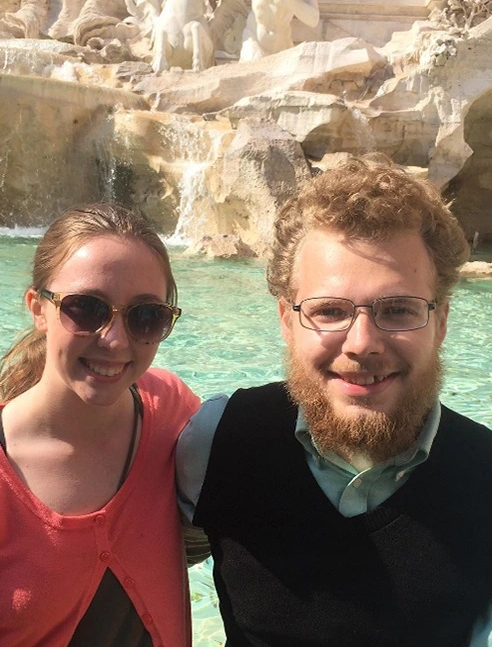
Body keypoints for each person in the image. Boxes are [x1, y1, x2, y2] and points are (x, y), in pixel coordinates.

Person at [177, 154, 492, 647]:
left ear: (442, 322)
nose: (362, 343)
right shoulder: (217, 440)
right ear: (287, 320)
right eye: (329, 310)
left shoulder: (486, 477)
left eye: (398, 309)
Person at [0, 203, 201, 646]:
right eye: (86, 309)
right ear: (38, 308)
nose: (115, 340)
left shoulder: (173, 410)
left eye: (146, 315)